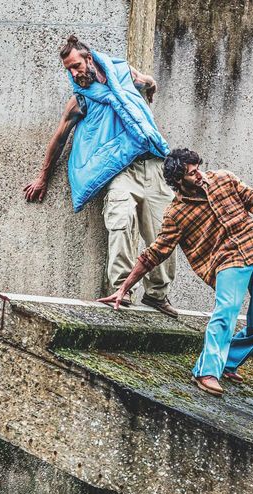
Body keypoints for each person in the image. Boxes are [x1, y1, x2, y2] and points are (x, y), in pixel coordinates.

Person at [98, 148, 253, 396]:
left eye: (198, 168)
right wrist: (124, 288)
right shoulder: (176, 214)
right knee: (226, 313)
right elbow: (154, 254)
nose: (200, 175)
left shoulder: (223, 179)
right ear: (179, 180)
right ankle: (206, 371)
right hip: (227, 261)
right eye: (192, 173)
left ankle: (228, 361)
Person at [23, 35, 178, 316]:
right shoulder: (81, 100)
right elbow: (59, 138)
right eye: (69, 70)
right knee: (121, 221)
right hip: (120, 170)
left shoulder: (124, 74)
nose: (74, 74)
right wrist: (42, 178)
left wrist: (149, 92)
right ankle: (122, 290)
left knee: (165, 232)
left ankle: (156, 294)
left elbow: (148, 81)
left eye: (76, 66)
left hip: (154, 165)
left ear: (89, 58)